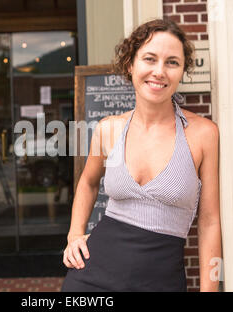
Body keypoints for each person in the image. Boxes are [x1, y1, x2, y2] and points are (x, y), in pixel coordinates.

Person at [61, 19, 222, 292]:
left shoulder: (203, 134)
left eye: (172, 62)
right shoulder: (108, 129)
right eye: (149, 59)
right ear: (130, 65)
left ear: (182, 71)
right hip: (91, 277)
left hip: (161, 280)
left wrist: (211, 289)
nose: (159, 71)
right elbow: (88, 183)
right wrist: (75, 233)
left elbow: (209, 222)